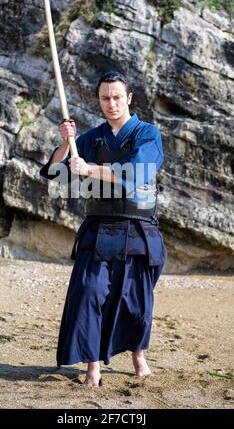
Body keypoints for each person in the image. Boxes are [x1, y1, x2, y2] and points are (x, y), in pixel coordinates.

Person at [39, 71, 167, 387]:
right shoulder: (92, 138)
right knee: (88, 293)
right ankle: (93, 364)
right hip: (98, 230)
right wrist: (64, 145)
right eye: (104, 98)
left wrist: (90, 168)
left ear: (129, 99)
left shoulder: (148, 135)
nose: (110, 104)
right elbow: (56, 174)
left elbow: (136, 173)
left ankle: (138, 354)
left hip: (138, 231)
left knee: (134, 300)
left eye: (116, 97)